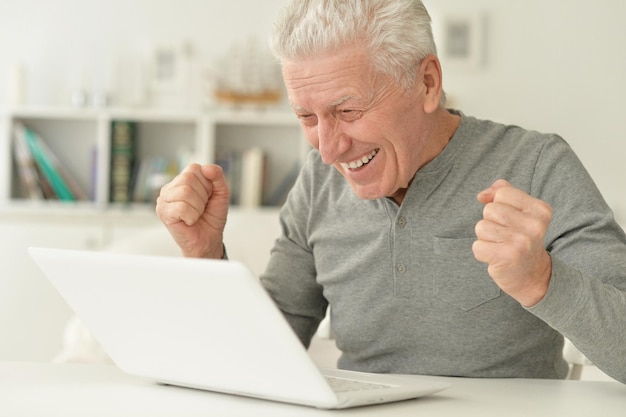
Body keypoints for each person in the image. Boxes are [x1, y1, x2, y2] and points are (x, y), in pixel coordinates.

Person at [156, 0, 626, 383]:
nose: (328, 149)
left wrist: (540, 281)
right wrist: (205, 258)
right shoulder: (318, 183)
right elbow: (256, 362)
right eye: (306, 118)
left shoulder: (537, 164)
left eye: (348, 110)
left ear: (426, 83)